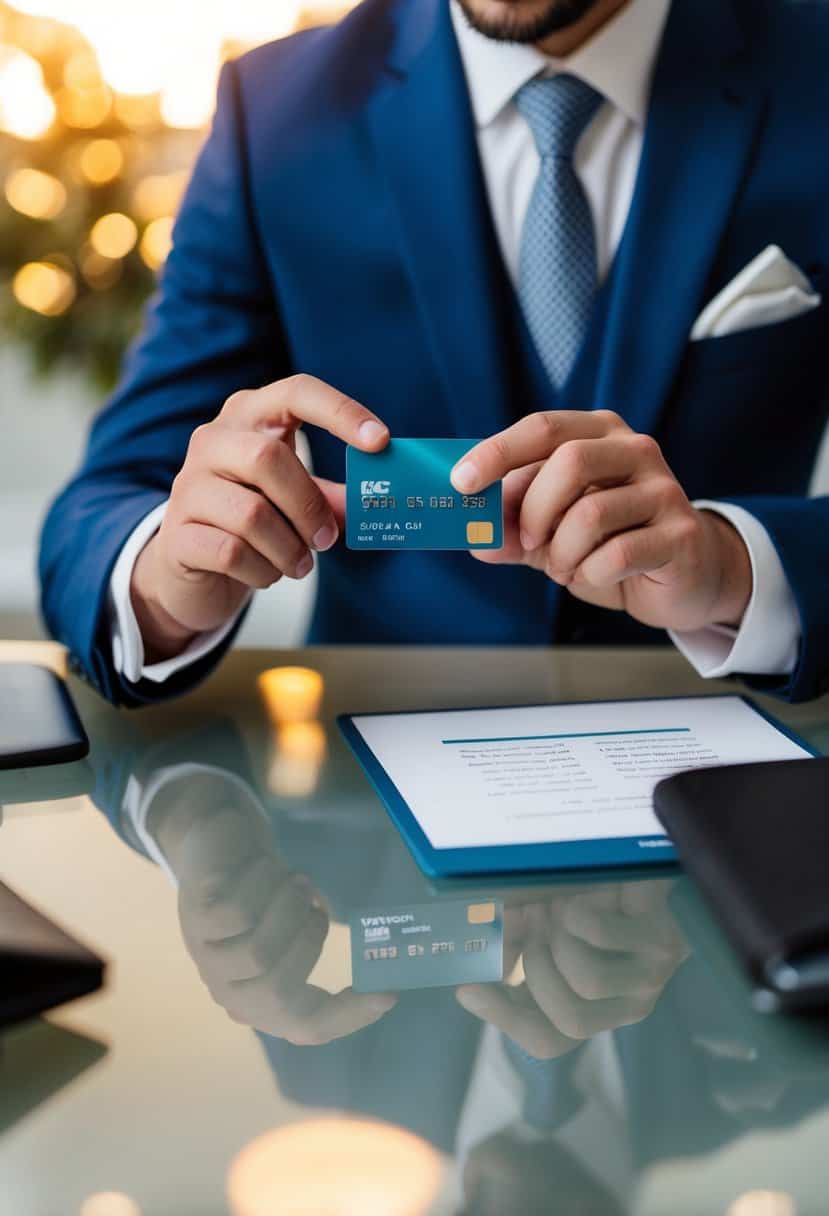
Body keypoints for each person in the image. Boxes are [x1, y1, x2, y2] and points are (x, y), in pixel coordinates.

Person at [40, 0, 829, 707]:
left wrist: (733, 569)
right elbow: (104, 502)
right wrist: (166, 582)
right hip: (368, 771)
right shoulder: (275, 110)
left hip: (741, 766)